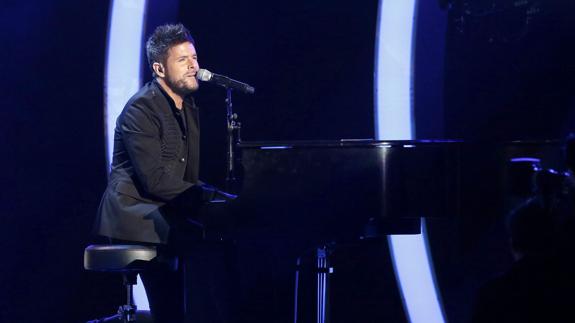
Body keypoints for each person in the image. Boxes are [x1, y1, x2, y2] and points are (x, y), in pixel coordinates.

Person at [94, 23, 233, 323]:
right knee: (196, 253)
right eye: (183, 60)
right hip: (135, 213)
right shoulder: (140, 110)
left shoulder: (188, 108)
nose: (194, 66)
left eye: (194, 58)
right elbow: (155, 179)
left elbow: (185, 178)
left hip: (168, 209)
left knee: (220, 238)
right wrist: (208, 199)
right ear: (159, 68)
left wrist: (225, 199)